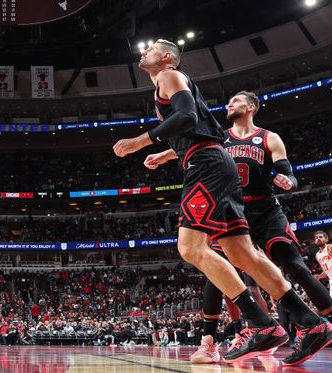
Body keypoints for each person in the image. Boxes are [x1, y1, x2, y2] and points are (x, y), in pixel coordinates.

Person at [114, 39, 332, 365]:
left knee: (191, 248)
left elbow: (187, 116)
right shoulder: (169, 82)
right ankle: (310, 323)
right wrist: (168, 152)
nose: (144, 52)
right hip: (218, 163)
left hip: (206, 167)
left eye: (152, 47)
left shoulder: (169, 75)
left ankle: (261, 324)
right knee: (241, 253)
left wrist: (140, 142)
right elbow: (208, 127)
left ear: (167, 57)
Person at [179, 91, 332, 364]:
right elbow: (190, 147)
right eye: (228, 101)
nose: (228, 104)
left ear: (250, 107)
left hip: (265, 209)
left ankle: (322, 324)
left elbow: (288, 172)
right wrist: (162, 153)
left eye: (234, 101)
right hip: (231, 208)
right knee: (214, 273)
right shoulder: (219, 136)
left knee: (293, 264)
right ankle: (209, 343)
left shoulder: (268, 137)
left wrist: (288, 181)